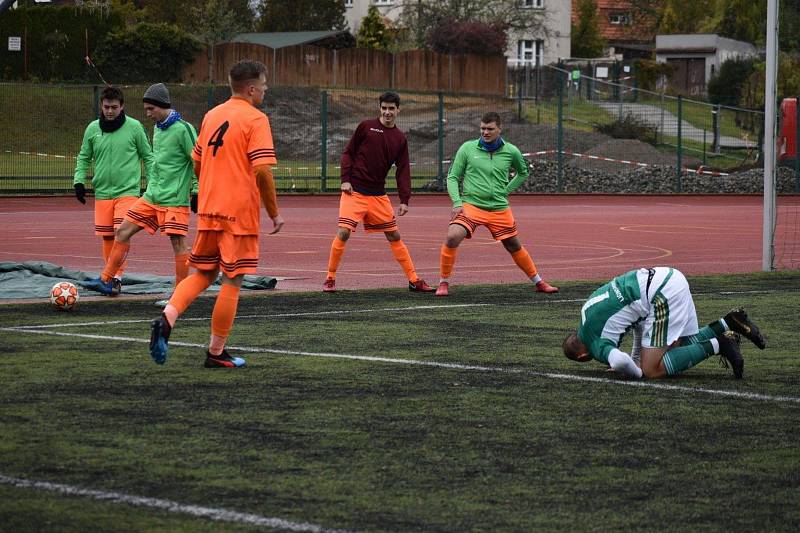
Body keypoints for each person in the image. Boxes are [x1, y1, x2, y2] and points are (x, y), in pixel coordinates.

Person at [149, 60, 284, 369]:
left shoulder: (211, 115)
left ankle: (167, 318)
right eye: (263, 85)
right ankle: (215, 351)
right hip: (238, 212)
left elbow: (197, 163)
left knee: (204, 274)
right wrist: (274, 212)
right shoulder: (256, 118)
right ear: (251, 89)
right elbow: (262, 171)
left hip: (209, 208)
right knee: (233, 279)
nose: (265, 90)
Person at [82, 83, 198, 301]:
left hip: (174, 199)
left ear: (162, 106)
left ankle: (180, 296)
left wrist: (197, 190)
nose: (147, 114)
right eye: (146, 109)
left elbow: (198, 161)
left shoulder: (183, 129)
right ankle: (107, 280)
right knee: (122, 232)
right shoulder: (158, 128)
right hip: (152, 197)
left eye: (150, 109)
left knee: (178, 244)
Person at [562, 267, 766, 379]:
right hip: (669, 276)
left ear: (582, 356)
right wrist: (636, 358)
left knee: (651, 370)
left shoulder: (594, 344)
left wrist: (635, 369)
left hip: (661, 296)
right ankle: (728, 322)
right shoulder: (586, 309)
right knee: (675, 347)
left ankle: (720, 344)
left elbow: (620, 362)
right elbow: (637, 321)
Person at [435, 112, 558, 297]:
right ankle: (443, 282)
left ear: (500, 129)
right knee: (452, 236)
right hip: (471, 206)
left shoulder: (511, 151)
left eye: (490, 129)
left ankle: (539, 282)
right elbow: (452, 177)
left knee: (513, 245)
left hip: (499, 208)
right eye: (483, 128)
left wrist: (506, 190)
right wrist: (457, 202)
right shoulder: (467, 148)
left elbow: (523, 172)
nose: (485, 132)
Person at [323, 91, 434, 293]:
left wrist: (404, 199)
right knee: (344, 232)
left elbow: (403, 170)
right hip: (354, 192)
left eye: (391, 108)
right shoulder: (366, 126)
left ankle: (413, 279)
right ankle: (330, 278)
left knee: (394, 235)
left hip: (377, 195)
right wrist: (345, 180)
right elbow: (348, 153)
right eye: (384, 108)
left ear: (398, 110)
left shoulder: (400, 138)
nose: (387, 112)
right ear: (379, 108)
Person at [73, 86, 154, 294]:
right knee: (108, 237)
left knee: (121, 233)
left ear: (122, 106)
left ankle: (114, 279)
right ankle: (108, 279)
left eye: (114, 107)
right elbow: (84, 157)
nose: (110, 111)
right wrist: (79, 181)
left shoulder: (135, 127)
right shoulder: (92, 129)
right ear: (101, 105)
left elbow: (148, 157)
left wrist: (152, 184)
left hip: (127, 192)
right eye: (107, 107)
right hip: (102, 193)